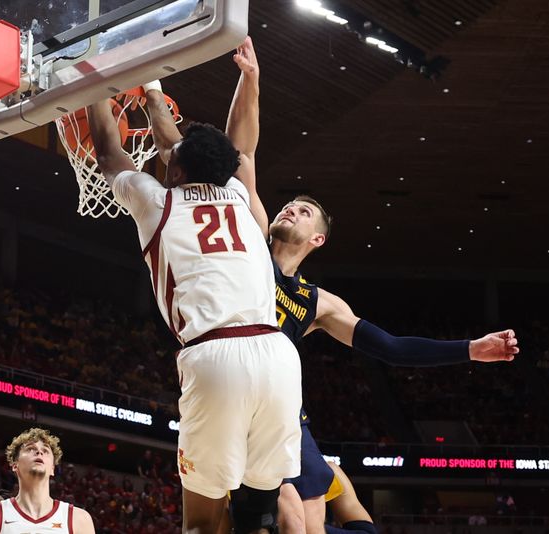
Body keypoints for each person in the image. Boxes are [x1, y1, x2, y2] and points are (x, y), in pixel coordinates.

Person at [217, 36, 520, 534]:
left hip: (288, 420)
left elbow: (393, 348)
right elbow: (241, 152)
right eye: (291, 201)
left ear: (317, 238)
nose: (291, 205)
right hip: (237, 402)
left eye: (305, 209)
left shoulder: (317, 304)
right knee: (286, 514)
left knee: (309, 523)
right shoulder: (253, 234)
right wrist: (249, 80)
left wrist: (471, 349)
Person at [86, 77, 302, 534]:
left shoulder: (157, 203)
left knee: (202, 522)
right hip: (278, 355)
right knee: (257, 518)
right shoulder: (241, 197)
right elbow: (174, 146)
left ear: (177, 172)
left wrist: (91, 87)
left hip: (216, 354)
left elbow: (108, 154)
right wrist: (151, 89)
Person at [0, 428, 95, 534]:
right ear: (15, 465)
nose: (39, 452)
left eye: (45, 450)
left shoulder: (78, 520)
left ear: (52, 468)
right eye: (30, 448)